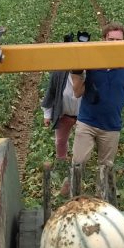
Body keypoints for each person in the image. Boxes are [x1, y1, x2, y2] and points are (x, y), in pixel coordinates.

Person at [70, 21, 124, 171]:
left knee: (106, 169)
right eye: (111, 40)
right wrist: (77, 72)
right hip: (87, 122)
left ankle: (101, 194)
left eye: (118, 40)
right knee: (78, 163)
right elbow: (77, 92)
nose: (114, 43)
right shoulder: (92, 60)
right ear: (104, 39)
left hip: (111, 127)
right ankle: (72, 188)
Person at [41, 32, 89, 194]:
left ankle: (78, 165)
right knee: (60, 141)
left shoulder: (88, 73)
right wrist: (47, 115)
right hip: (65, 114)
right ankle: (62, 162)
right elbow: (51, 94)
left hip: (83, 116)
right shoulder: (59, 73)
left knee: (81, 142)